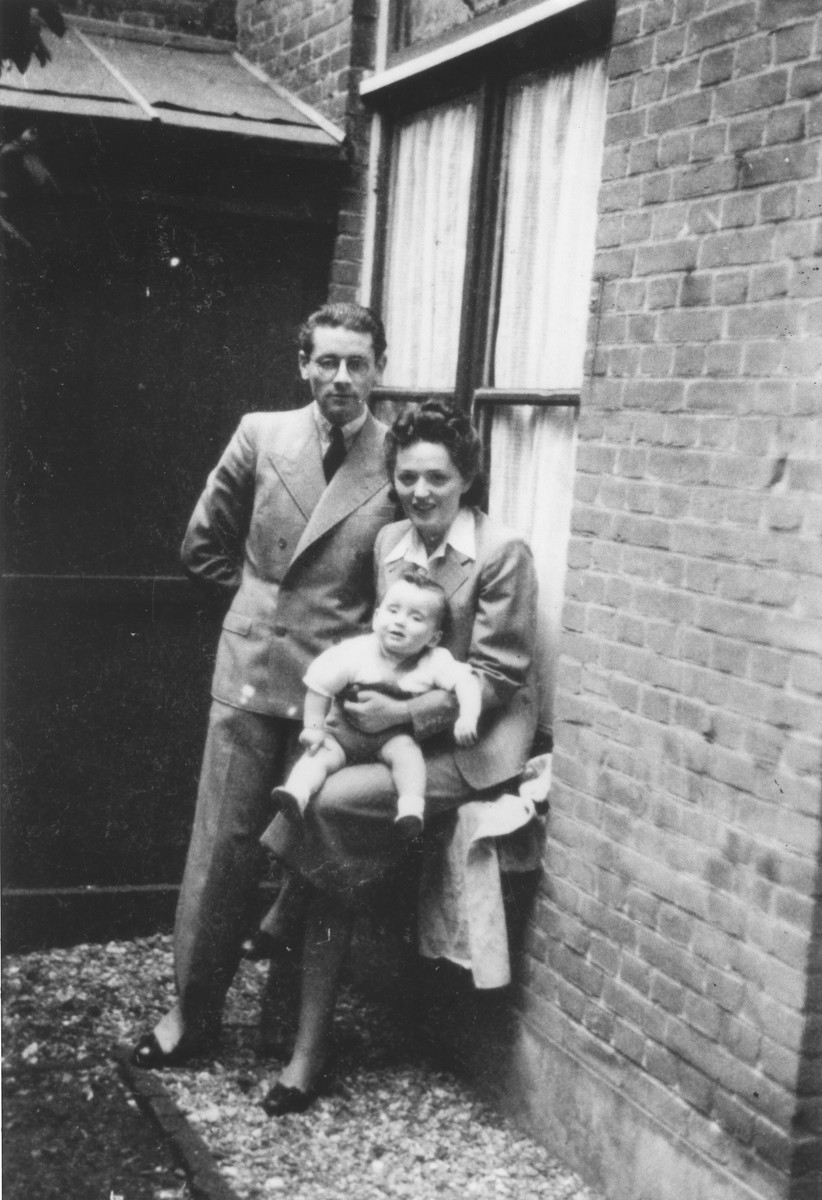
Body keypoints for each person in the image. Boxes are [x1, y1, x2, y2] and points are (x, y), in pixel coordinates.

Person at [131, 302, 397, 1068]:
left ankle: (283, 1027)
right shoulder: (261, 434)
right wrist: (259, 610)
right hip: (251, 677)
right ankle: (192, 1014)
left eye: (357, 363)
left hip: (335, 695)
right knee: (222, 850)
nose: (341, 378)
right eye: (327, 362)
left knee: (311, 858)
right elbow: (201, 544)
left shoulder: (394, 455)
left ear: (378, 368)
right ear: (303, 364)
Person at [257, 398, 539, 1115]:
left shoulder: (501, 553)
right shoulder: (390, 545)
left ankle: (290, 943)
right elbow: (382, 647)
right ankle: (303, 1050)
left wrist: (404, 713)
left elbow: (500, 678)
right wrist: (356, 714)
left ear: (467, 479)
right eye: (407, 477)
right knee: (326, 805)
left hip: (474, 744)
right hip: (394, 736)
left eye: (437, 479)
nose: (420, 492)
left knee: (331, 803)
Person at [271, 565, 482, 837]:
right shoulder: (357, 652)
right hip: (342, 735)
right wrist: (313, 726)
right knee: (318, 756)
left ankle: (411, 809)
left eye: (416, 618)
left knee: (408, 754)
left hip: (390, 741)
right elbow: (319, 685)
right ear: (376, 618)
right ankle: (296, 794)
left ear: (434, 637)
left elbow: (466, 681)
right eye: (393, 611)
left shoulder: (435, 661)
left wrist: (469, 716)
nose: (400, 621)